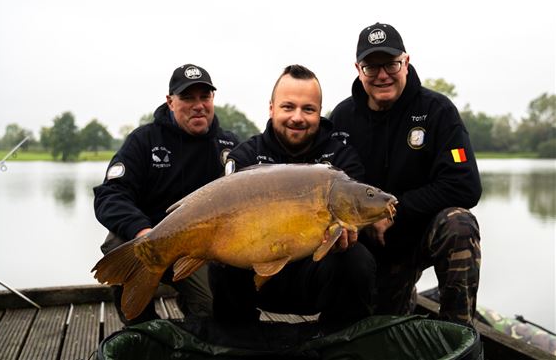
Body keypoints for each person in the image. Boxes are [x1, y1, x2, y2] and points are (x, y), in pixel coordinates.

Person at [329, 23, 482, 325]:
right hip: (364, 246)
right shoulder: (342, 117)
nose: (382, 74)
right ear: (358, 69)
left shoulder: (437, 111)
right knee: (377, 328)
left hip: (417, 236)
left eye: (391, 64)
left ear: (406, 62)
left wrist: (394, 211)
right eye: (372, 66)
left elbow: (465, 186)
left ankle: (456, 333)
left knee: (459, 224)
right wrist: (369, 219)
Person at [209, 64, 377, 327]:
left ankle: (341, 342)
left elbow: (359, 209)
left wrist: (352, 233)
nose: (297, 117)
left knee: (357, 260)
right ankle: (237, 340)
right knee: (221, 261)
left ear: (319, 113)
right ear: (272, 108)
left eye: (308, 109)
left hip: (314, 275)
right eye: (288, 107)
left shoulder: (341, 159)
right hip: (256, 273)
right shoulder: (245, 156)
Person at [93, 64, 239, 325]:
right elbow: (110, 195)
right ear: (170, 102)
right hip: (150, 238)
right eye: (187, 98)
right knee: (119, 244)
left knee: (212, 308)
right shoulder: (143, 141)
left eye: (204, 97)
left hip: (199, 249)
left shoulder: (229, 146)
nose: (198, 105)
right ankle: (144, 326)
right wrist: (142, 231)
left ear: (213, 100)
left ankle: (193, 314)